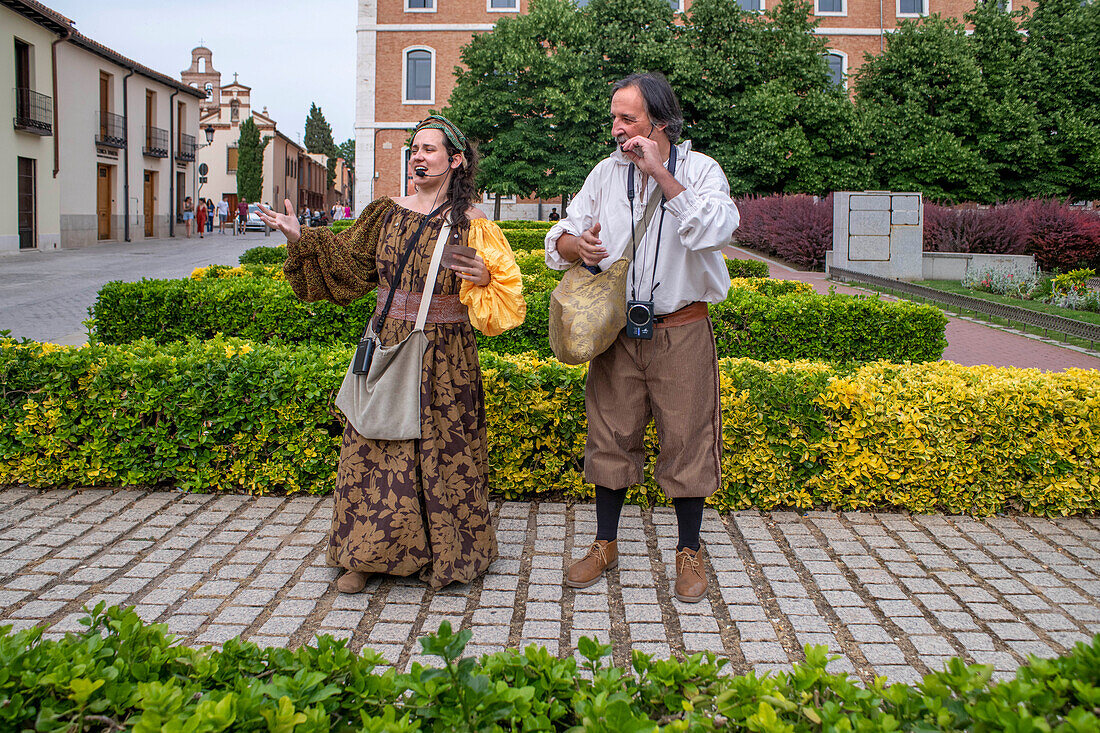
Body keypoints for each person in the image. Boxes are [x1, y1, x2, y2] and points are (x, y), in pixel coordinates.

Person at [257, 114, 526, 592]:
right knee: (376, 446)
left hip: (446, 354)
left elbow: (505, 300)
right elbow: (347, 266)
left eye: (429, 149)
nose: (418, 157)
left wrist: (483, 279)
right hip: (387, 342)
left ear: (455, 160)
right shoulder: (384, 212)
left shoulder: (475, 223)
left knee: (442, 451)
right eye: (414, 150)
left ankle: (446, 555)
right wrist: (299, 238)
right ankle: (365, 557)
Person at [544, 72, 739, 604]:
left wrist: (662, 176)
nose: (617, 128)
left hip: (681, 329)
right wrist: (573, 246)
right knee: (610, 435)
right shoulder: (605, 174)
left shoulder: (700, 171)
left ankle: (689, 551)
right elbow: (559, 232)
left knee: (688, 439)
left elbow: (716, 229)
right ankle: (605, 544)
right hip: (617, 333)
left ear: (660, 122)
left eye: (627, 118)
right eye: (614, 117)